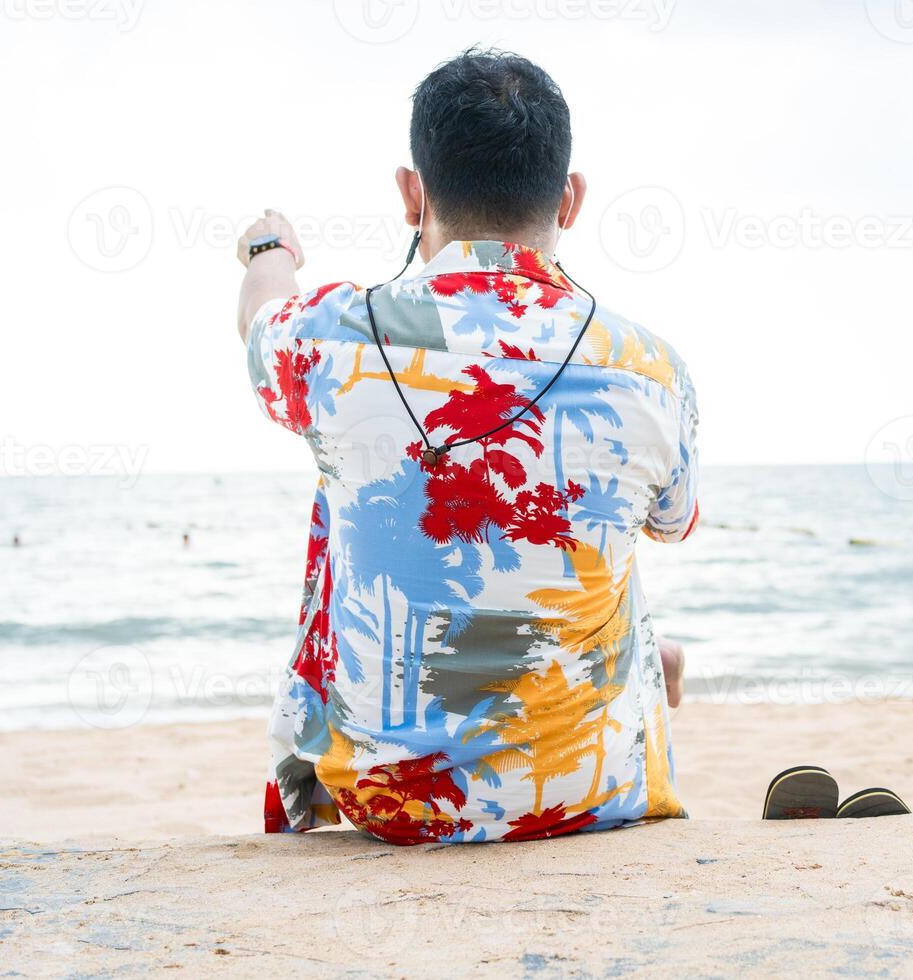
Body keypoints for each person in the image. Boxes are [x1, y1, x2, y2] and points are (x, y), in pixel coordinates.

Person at [235, 47, 698, 844]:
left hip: (393, 805)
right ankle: (639, 670)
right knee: (615, 567)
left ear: (411, 193)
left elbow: (258, 320)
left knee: (345, 480)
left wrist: (270, 251)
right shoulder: (653, 369)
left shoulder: (332, 336)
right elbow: (670, 523)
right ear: (571, 198)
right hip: (595, 789)